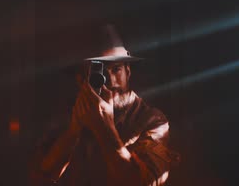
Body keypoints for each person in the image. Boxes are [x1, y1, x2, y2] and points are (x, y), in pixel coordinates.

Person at [29, 24, 179, 186]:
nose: (110, 80)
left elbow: (146, 183)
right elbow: (40, 178)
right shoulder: (68, 116)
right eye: (99, 72)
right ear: (81, 79)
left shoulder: (152, 121)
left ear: (128, 72)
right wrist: (73, 131)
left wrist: (105, 129)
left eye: (116, 69)